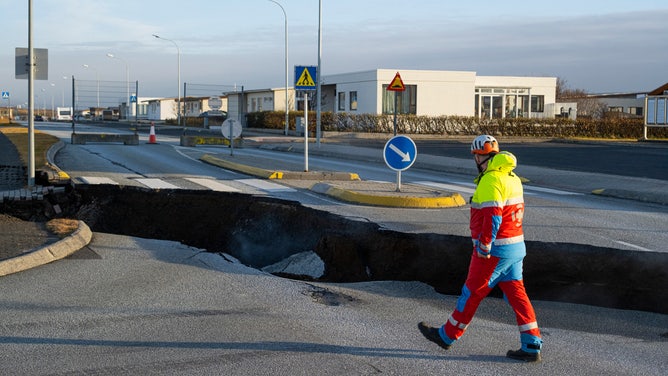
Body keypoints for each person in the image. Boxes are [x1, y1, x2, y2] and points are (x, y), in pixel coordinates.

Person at [418, 135, 543, 362]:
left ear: (480, 156)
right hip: (515, 247)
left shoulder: (490, 179)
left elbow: (493, 216)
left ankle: (447, 335)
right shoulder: (512, 177)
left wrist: (484, 245)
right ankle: (532, 344)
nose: (475, 159)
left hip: (495, 250)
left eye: (475, 155)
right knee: (518, 296)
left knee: (471, 292)